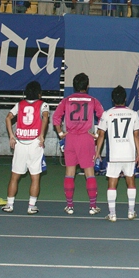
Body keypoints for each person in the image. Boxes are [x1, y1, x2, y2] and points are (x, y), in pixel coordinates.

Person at [53, 73, 105, 215]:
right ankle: (92, 206)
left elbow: (56, 117)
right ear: (87, 86)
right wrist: (97, 134)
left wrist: (60, 133)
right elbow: (103, 117)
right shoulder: (93, 100)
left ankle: (69, 206)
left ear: (74, 86)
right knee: (89, 173)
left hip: (70, 138)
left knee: (69, 172)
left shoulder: (66, 100)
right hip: (86, 138)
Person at [96, 86, 139, 222]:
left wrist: (97, 152)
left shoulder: (107, 114)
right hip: (129, 154)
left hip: (114, 154)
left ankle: (112, 214)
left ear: (112, 99)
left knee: (112, 183)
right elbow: (136, 135)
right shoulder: (133, 114)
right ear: (125, 99)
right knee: (131, 181)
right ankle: (131, 212)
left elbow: (101, 134)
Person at [3, 81, 49, 215]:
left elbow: (8, 118)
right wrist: (42, 134)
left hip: (20, 143)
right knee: (35, 177)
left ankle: (9, 204)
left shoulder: (20, 104)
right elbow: (45, 117)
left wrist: (11, 136)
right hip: (35, 143)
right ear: (39, 93)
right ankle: (31, 206)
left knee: (15, 176)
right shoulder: (43, 104)